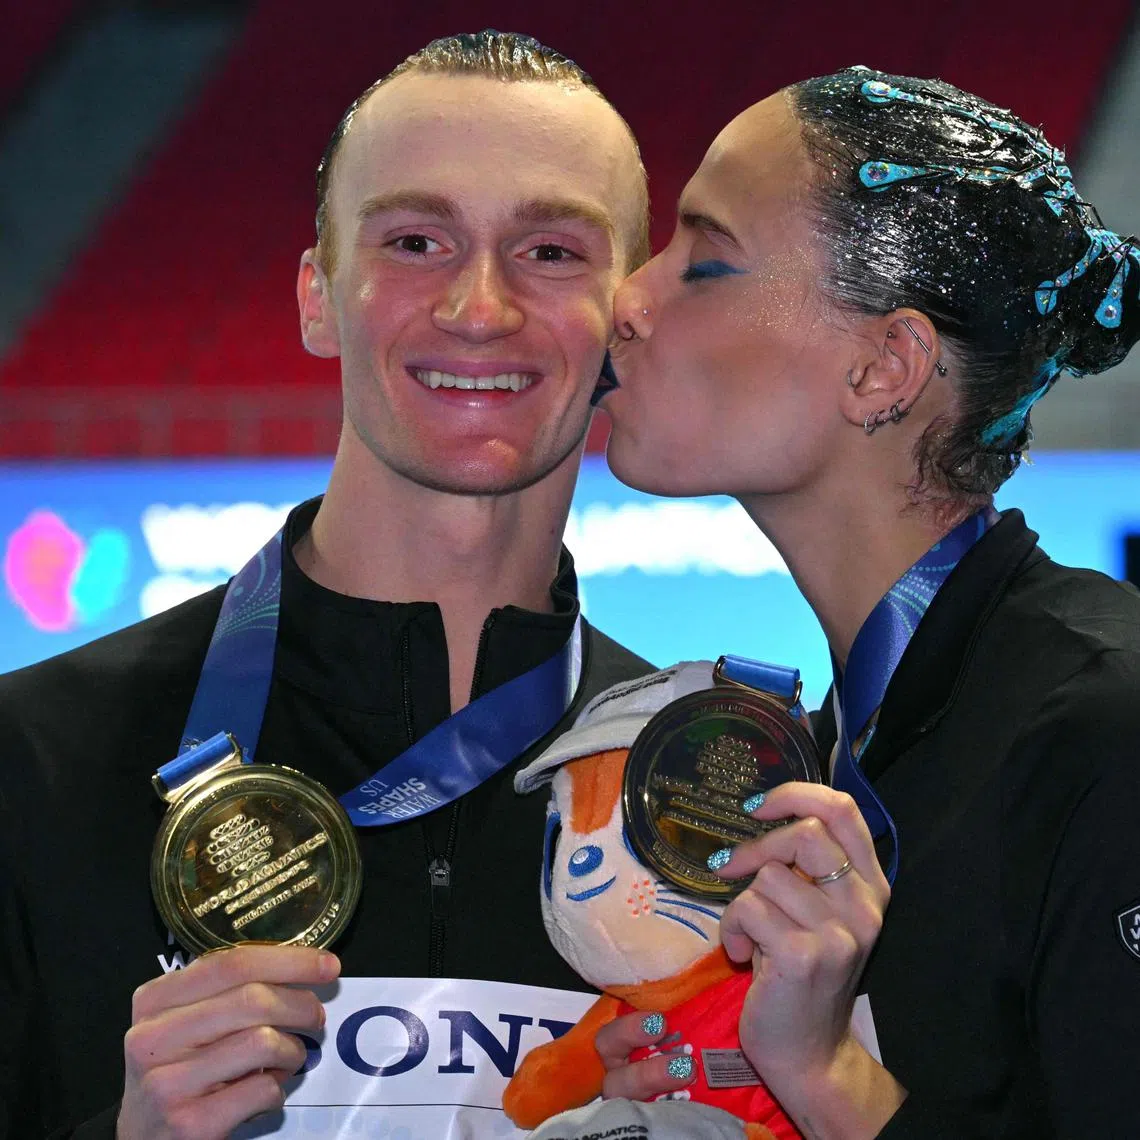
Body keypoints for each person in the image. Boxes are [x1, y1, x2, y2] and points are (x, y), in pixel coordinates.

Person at [0, 30, 654, 1140]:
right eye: (416, 241)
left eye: (549, 251)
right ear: (319, 295)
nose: (480, 308)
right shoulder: (35, 764)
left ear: (627, 319)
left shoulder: (707, 803)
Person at [591, 66, 1140, 1136]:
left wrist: (827, 1073)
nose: (629, 298)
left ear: (885, 368)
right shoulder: (854, 736)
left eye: (705, 262)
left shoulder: (1106, 729)